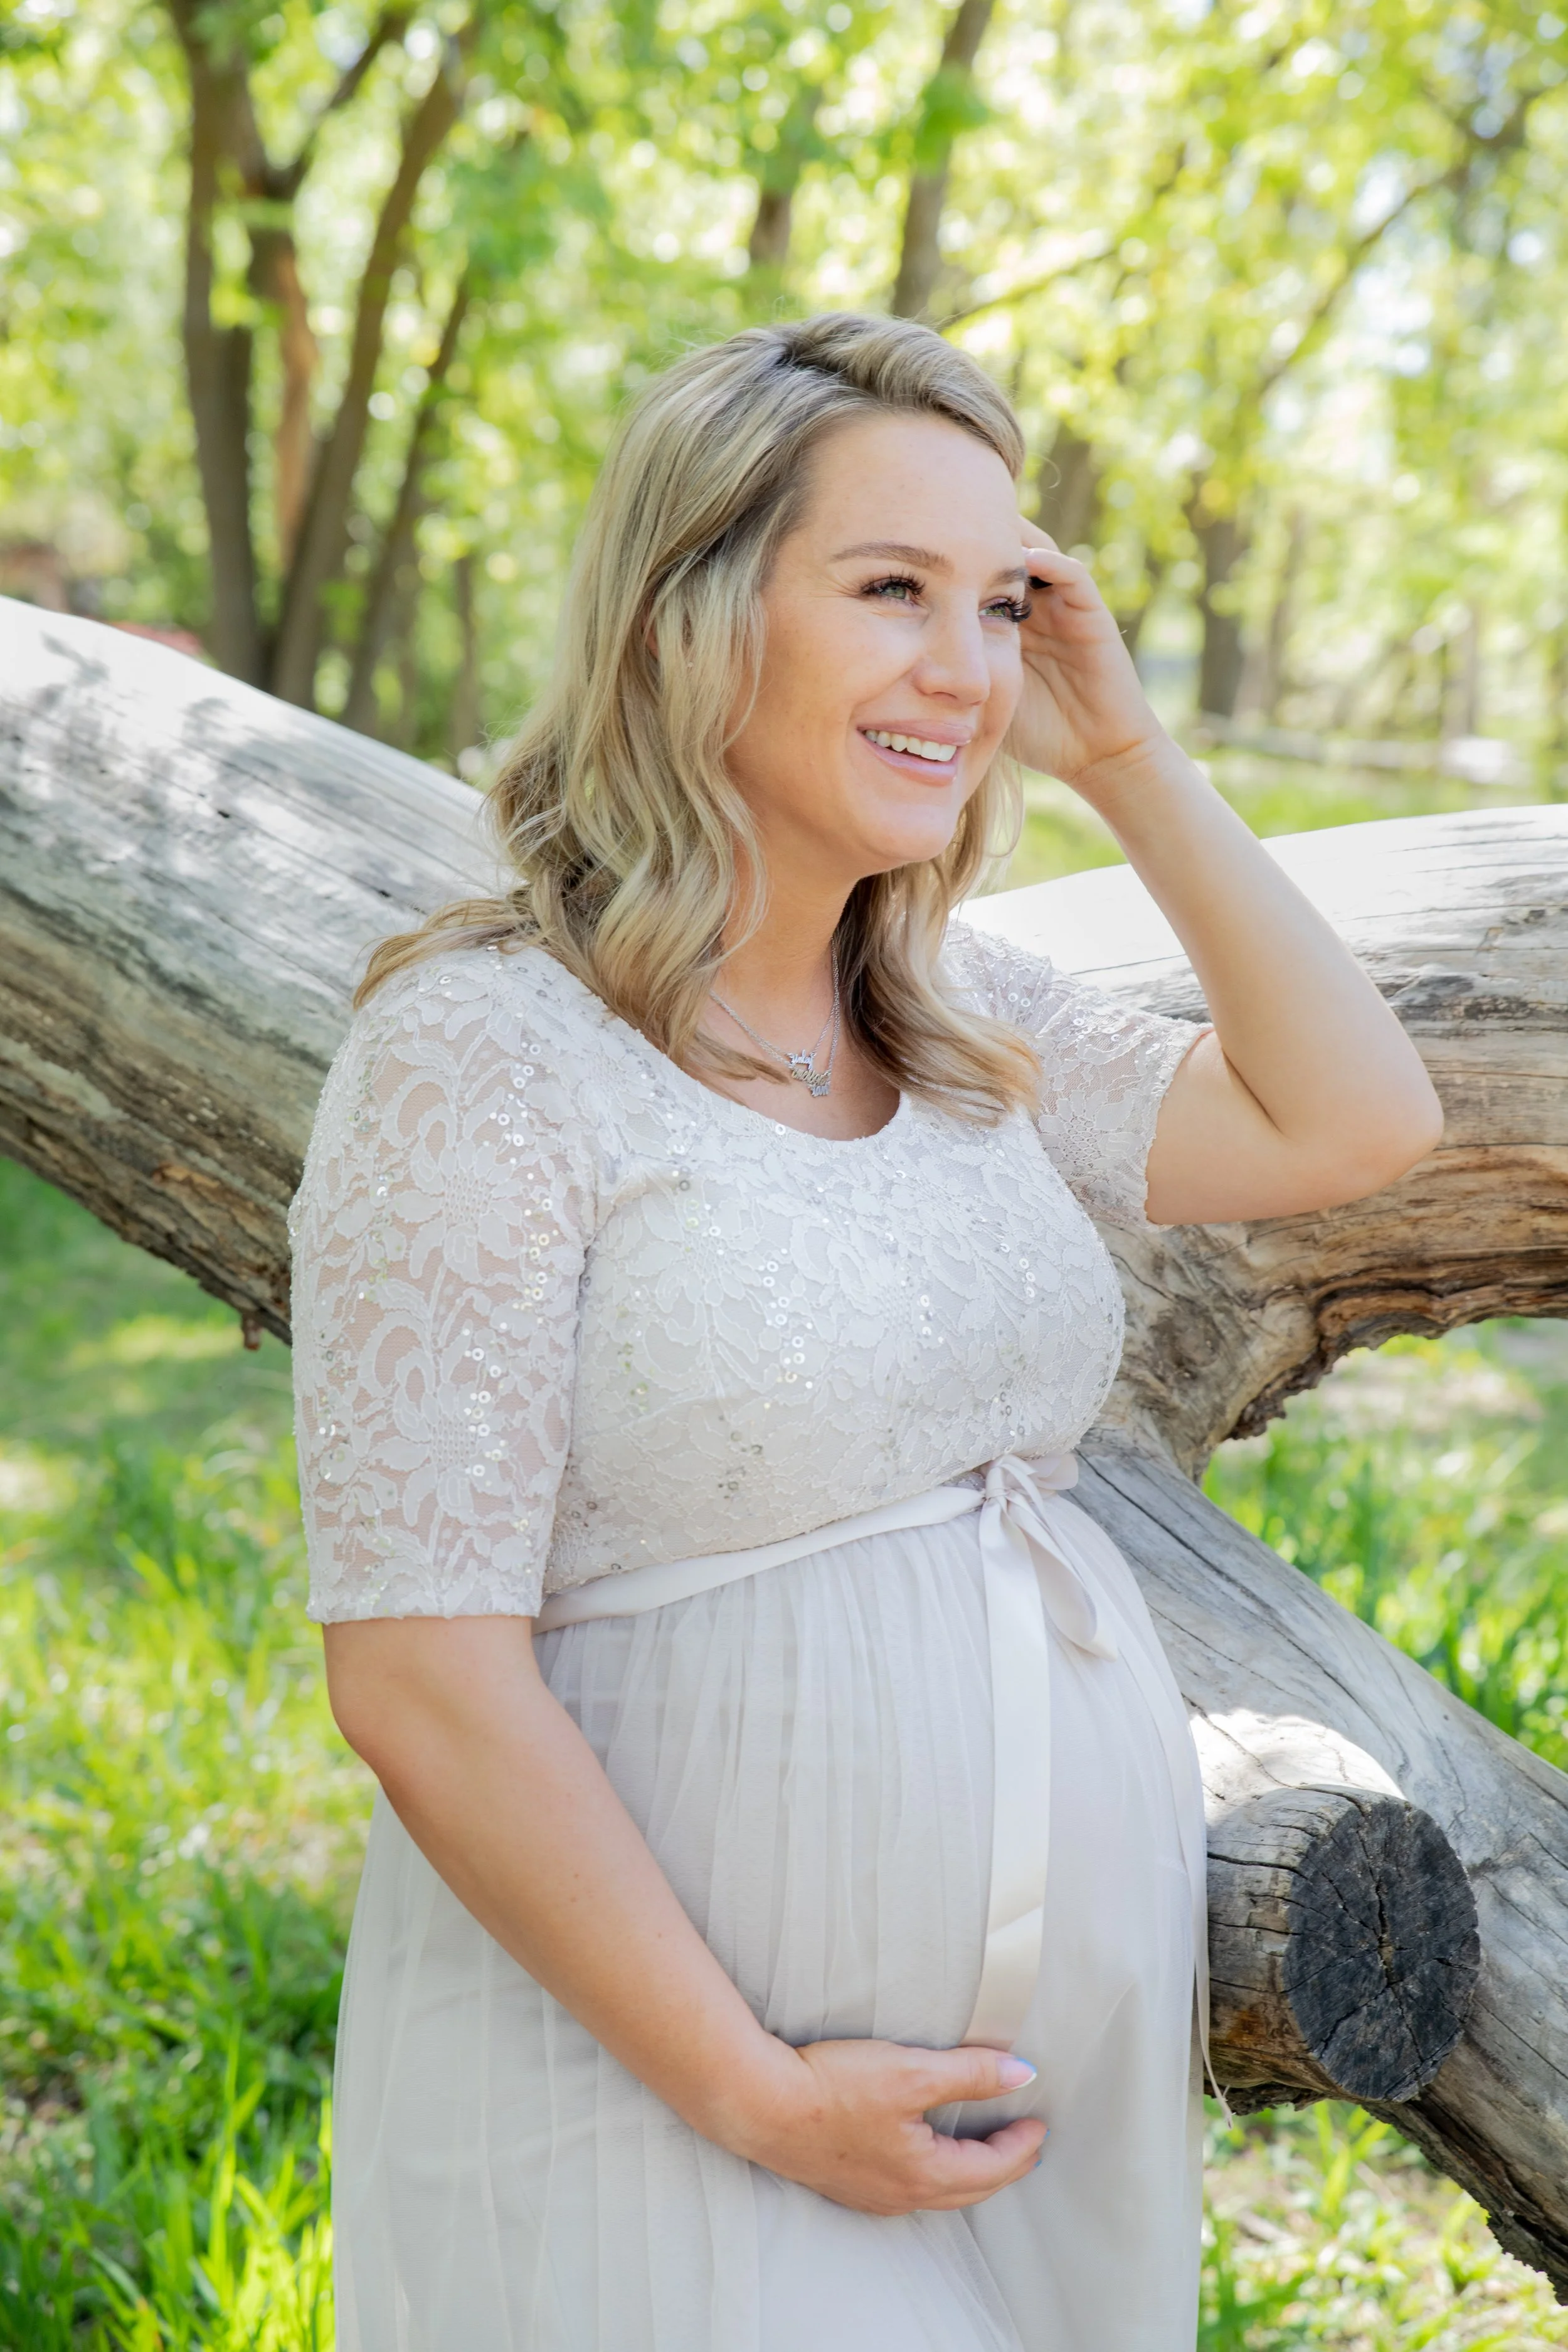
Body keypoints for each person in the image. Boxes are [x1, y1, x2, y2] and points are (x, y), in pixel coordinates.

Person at [290, 312, 1442, 2351]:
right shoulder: (478, 1048)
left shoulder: (957, 1010)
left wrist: (1127, 758)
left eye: (1000, 603)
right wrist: (754, 2088)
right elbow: (417, 1674)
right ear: (687, 617)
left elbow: (1355, 1117)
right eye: (890, 590)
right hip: (663, 2086)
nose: (965, 668)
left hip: (1047, 2072)